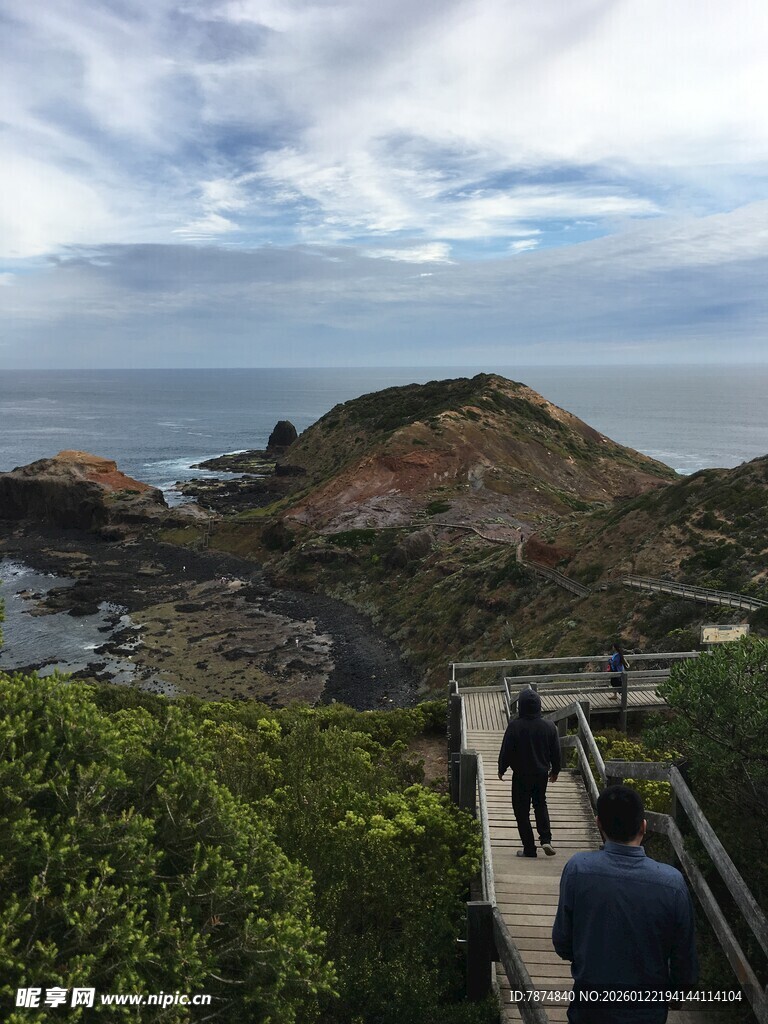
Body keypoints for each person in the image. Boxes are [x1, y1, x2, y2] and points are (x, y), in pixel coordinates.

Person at [552, 785, 698, 1023]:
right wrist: (677, 991)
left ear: (599, 824)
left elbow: (562, 942)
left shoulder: (578, 868)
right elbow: (684, 960)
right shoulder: (672, 883)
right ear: (643, 826)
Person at [498, 687, 560, 858]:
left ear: (521, 706)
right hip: (541, 775)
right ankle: (546, 839)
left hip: (521, 776)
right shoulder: (549, 726)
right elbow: (556, 751)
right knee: (540, 804)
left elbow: (507, 750)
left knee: (521, 811)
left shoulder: (515, 726)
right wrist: (555, 770)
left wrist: (501, 768)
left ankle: (529, 848)